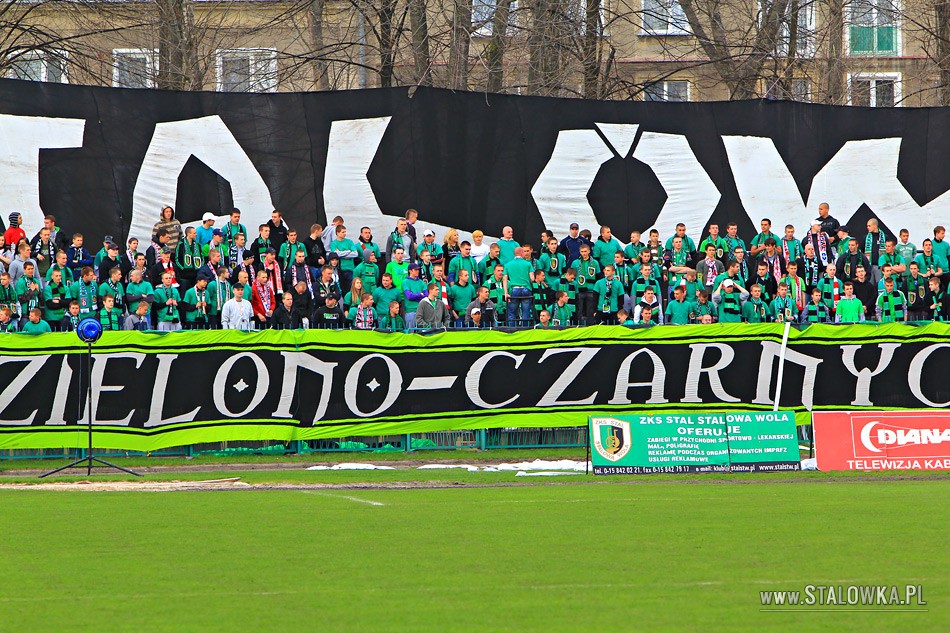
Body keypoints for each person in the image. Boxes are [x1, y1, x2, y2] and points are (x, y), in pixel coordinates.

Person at [503, 246, 535, 325]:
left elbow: (505, 279)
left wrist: (506, 293)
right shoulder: (528, 264)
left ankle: (512, 330)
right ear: (521, 253)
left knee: (512, 312)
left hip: (514, 289)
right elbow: (532, 278)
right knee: (526, 312)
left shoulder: (508, 264)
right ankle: (524, 330)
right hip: (525, 289)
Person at [569, 243, 600, 325]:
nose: (584, 253)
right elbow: (572, 276)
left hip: (591, 290)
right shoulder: (575, 263)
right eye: (582, 251)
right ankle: (579, 325)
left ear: (589, 251)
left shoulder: (595, 263)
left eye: (585, 251)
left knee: (590, 310)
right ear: (579, 252)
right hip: (579, 290)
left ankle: (589, 326)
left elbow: (598, 276)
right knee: (579, 309)